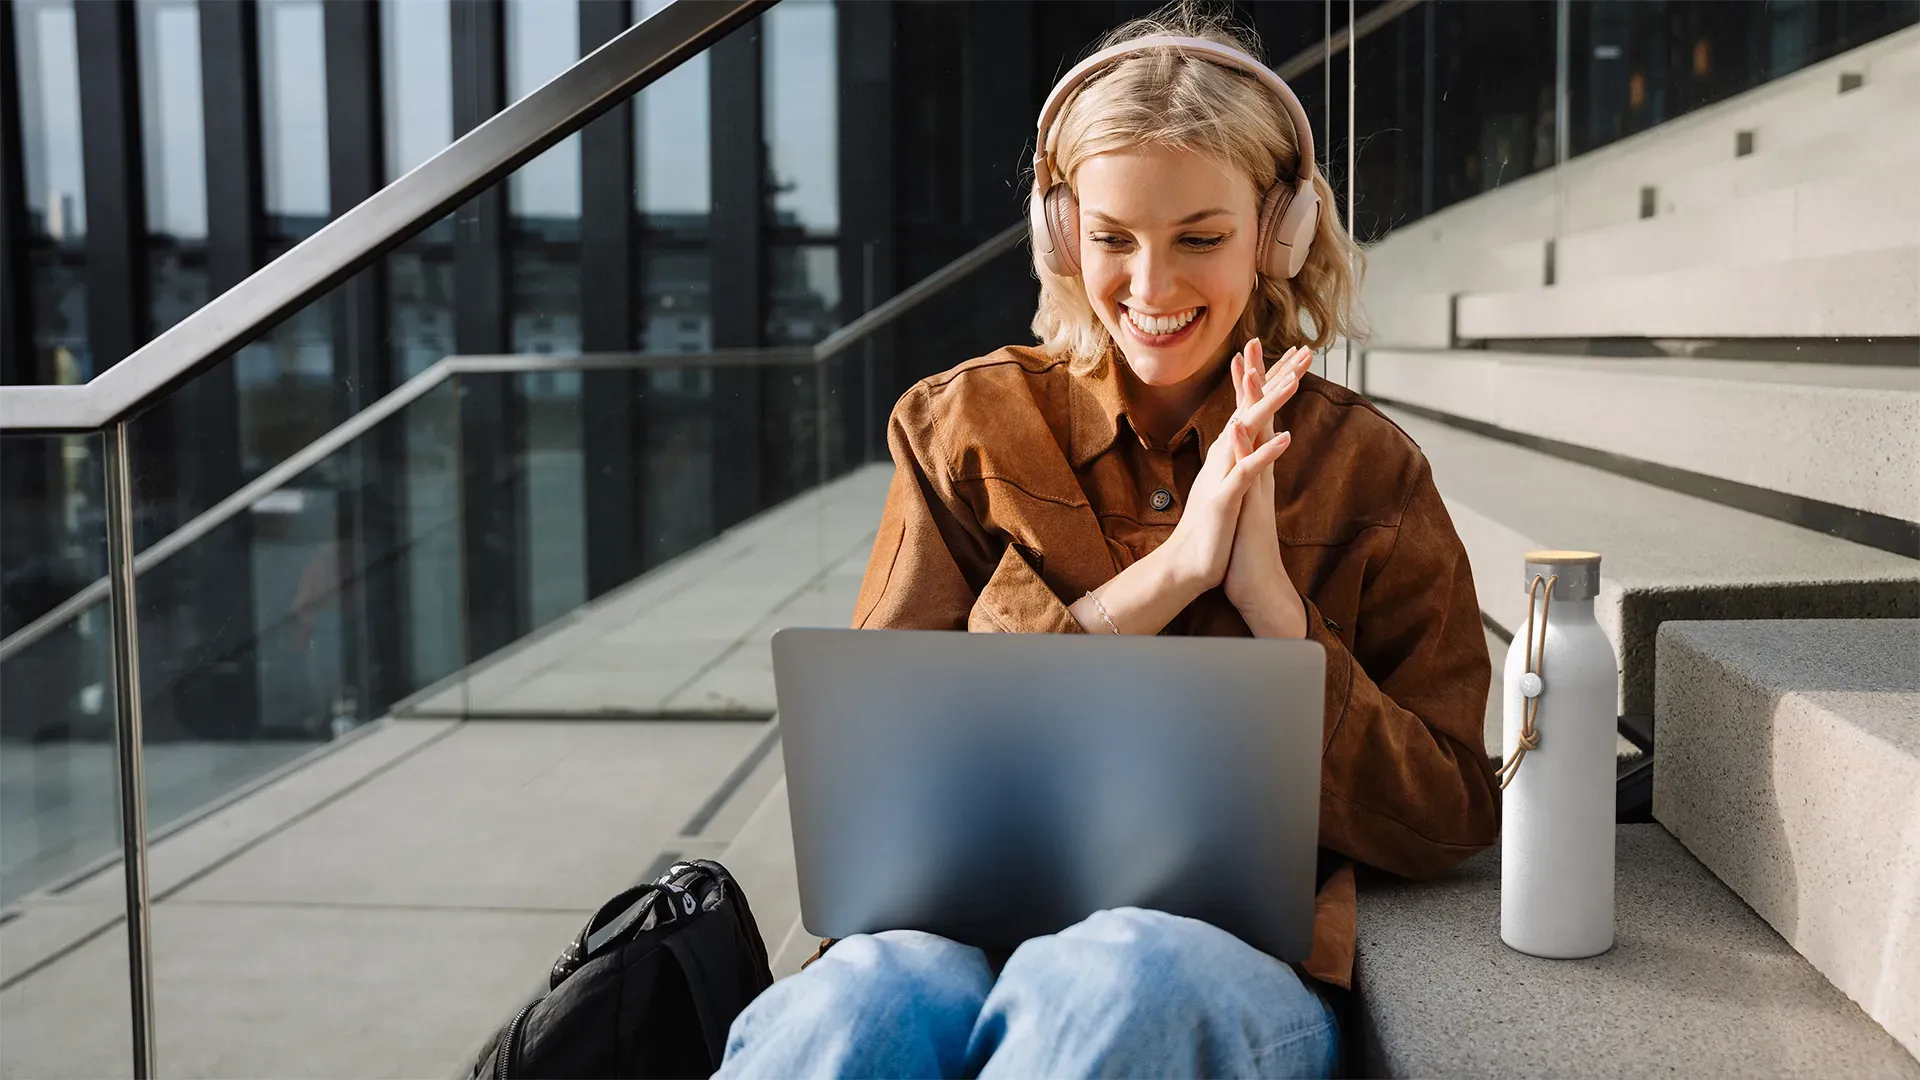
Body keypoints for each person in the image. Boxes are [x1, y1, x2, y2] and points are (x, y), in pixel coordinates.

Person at [718, 3, 1499, 1077]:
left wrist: (1275, 612)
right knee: (850, 1008)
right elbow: (889, 777)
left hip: (1208, 964)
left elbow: (1453, 811)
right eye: (1112, 238)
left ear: (1282, 233)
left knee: (1111, 983)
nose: (1152, 286)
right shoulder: (961, 429)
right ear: (1060, 232)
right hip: (955, 942)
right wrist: (1175, 575)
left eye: (1201, 239)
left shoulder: (1372, 474)